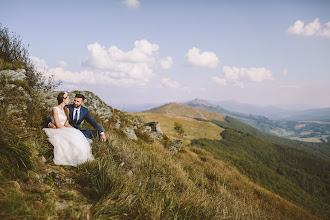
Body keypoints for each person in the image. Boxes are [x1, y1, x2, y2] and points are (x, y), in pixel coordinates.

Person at [43, 92, 94, 166]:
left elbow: (66, 124)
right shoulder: (55, 109)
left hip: (64, 128)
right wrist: (69, 131)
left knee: (78, 136)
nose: (70, 100)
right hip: (57, 130)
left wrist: (74, 130)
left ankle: (81, 158)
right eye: (68, 98)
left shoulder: (66, 110)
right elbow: (58, 124)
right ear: (63, 99)